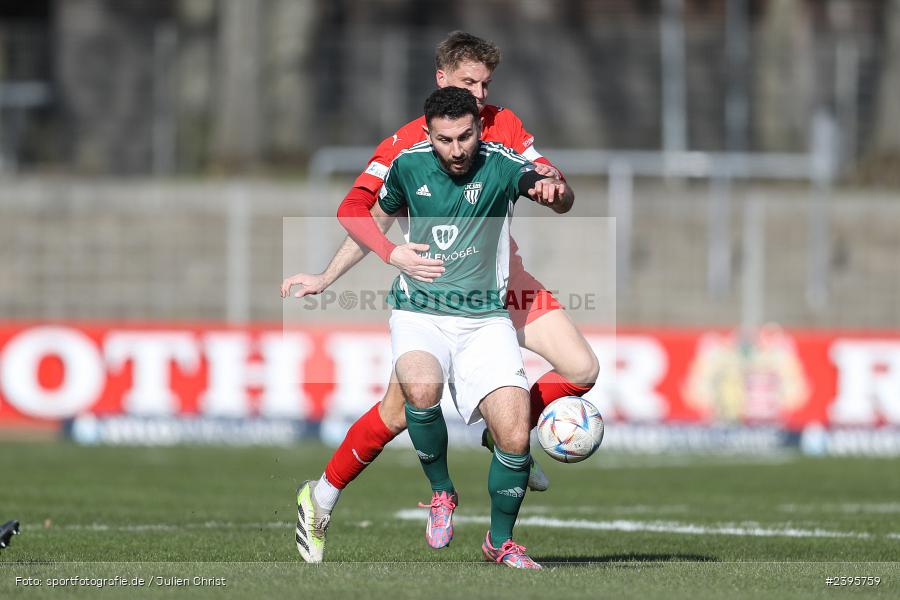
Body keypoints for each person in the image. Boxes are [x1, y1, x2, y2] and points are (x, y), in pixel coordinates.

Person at [287, 31, 598, 563]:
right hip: (433, 291)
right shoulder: (408, 144)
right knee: (399, 410)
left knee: (582, 369)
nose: (479, 95)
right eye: (467, 83)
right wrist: (328, 275)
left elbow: (546, 177)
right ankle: (322, 497)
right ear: (441, 82)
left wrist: (553, 186)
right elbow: (368, 212)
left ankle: (507, 434)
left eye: (485, 84)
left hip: (503, 282)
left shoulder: (504, 124)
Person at [386, 86, 569, 568]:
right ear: (429, 134)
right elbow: (370, 221)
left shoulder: (501, 164)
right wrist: (343, 270)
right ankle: (443, 492)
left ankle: (499, 542)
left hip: (485, 319)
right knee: (421, 388)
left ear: (479, 130)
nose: (457, 149)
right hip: (419, 312)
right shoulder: (406, 165)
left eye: (465, 136)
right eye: (445, 140)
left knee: (514, 434)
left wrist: (555, 191)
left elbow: (547, 188)